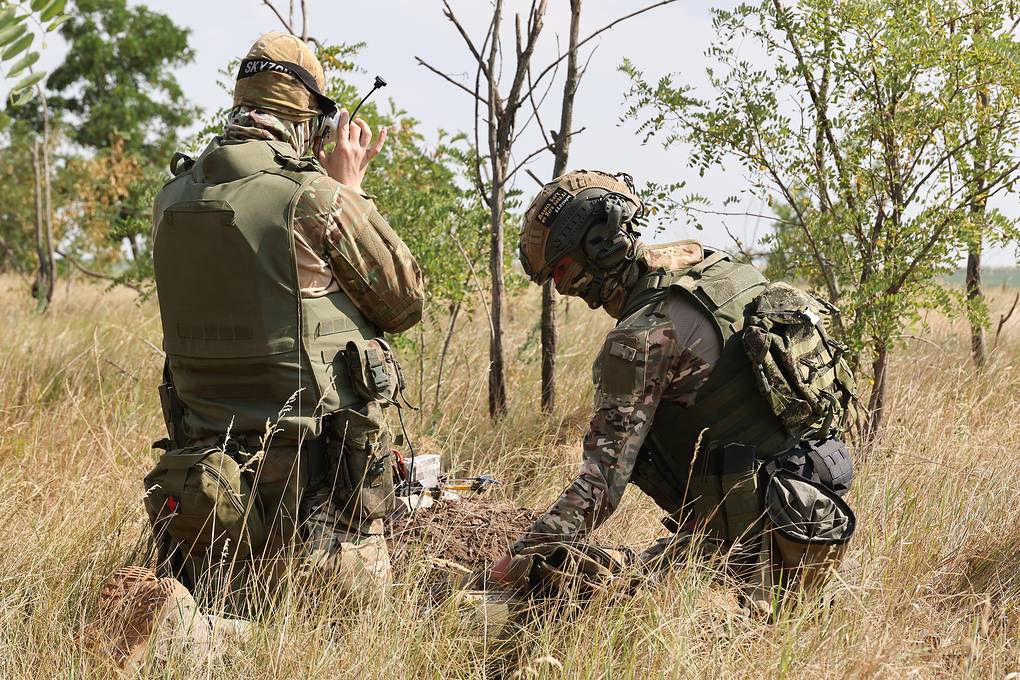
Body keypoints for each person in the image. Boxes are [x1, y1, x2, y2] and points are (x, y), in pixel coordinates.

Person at [85, 32, 424, 670]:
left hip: (206, 473)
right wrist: (350, 188)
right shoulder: (314, 198)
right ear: (308, 118)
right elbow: (404, 302)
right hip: (317, 483)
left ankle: (194, 624)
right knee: (351, 640)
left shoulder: (172, 198)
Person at [490, 170, 857, 612]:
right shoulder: (714, 268)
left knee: (578, 607)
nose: (564, 289)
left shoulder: (642, 337)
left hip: (756, 557)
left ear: (595, 249)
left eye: (562, 272)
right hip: (815, 514)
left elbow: (599, 486)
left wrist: (519, 557)